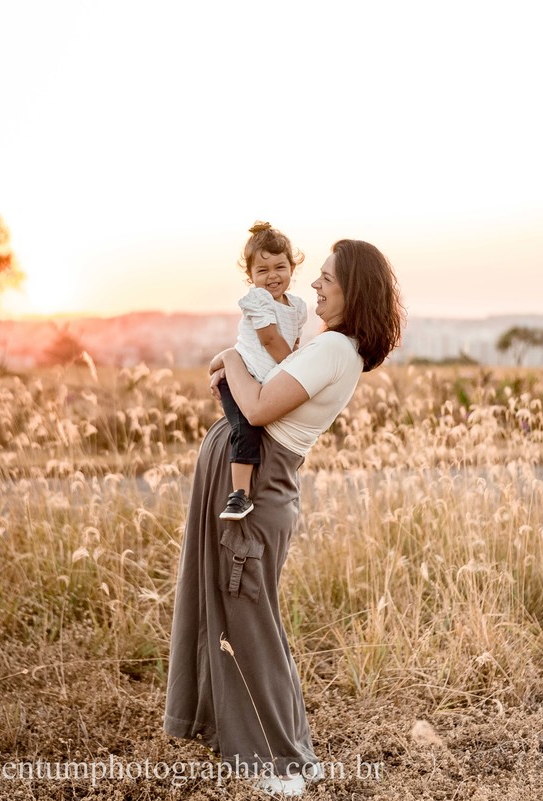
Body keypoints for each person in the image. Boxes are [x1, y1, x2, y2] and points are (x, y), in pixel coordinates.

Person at [163, 239, 405, 796]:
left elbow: (256, 407)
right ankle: (278, 749)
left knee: (249, 620)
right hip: (254, 477)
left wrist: (228, 360)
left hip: (261, 485)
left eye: (326, 279)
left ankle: (282, 763)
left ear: (354, 291)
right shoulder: (329, 345)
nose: (313, 285)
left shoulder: (332, 352)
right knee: (242, 615)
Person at [218, 221, 308, 522]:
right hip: (242, 379)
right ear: (250, 277)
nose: (272, 276)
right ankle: (239, 496)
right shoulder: (258, 300)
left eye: (279, 267)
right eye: (262, 270)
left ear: (292, 269)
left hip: (269, 382)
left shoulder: (297, 306)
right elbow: (270, 340)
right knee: (246, 429)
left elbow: (292, 344)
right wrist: (295, 372)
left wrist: (293, 366)